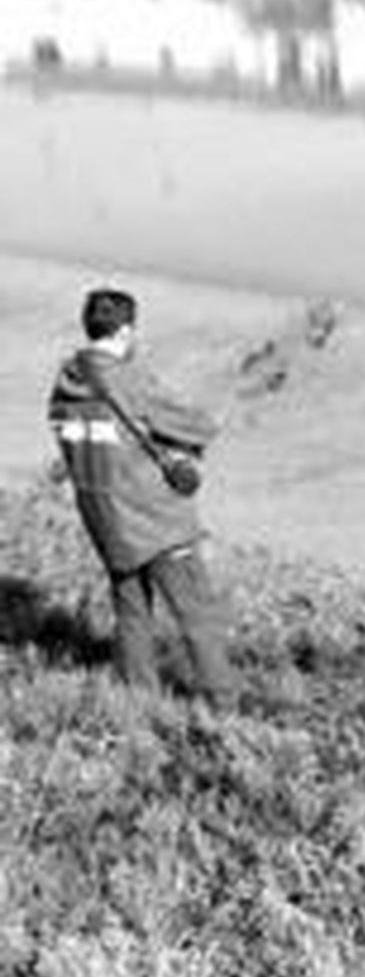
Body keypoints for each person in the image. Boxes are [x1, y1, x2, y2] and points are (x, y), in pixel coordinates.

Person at [47, 287, 237, 708]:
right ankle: (224, 709)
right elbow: (197, 426)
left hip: (106, 520)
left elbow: (72, 447)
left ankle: (140, 706)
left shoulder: (63, 386)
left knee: (132, 615)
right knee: (198, 615)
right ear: (127, 330)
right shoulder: (129, 379)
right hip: (157, 521)